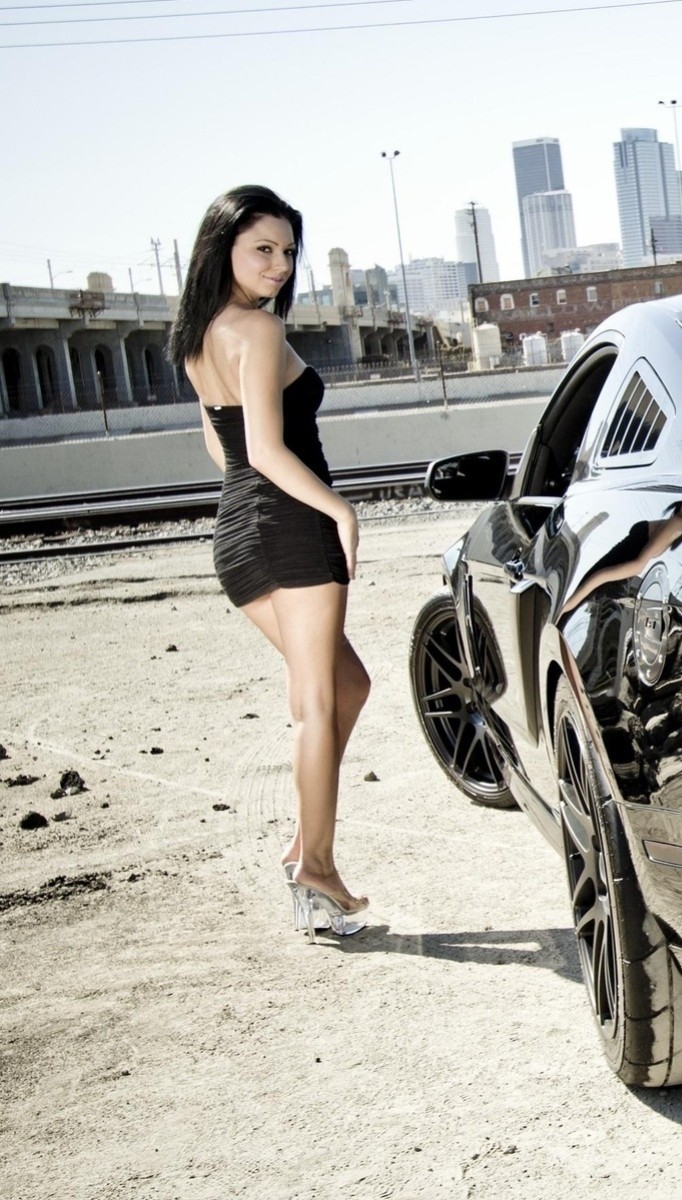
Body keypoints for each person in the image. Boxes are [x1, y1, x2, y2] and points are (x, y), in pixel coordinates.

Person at [168, 185, 372, 938]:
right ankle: (316, 871)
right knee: (317, 702)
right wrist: (337, 508)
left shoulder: (198, 333)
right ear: (222, 246)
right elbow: (263, 449)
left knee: (346, 685)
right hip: (289, 527)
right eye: (264, 249)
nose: (280, 264)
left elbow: (219, 449)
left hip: (238, 532)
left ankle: (301, 842)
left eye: (288, 251)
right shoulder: (252, 330)